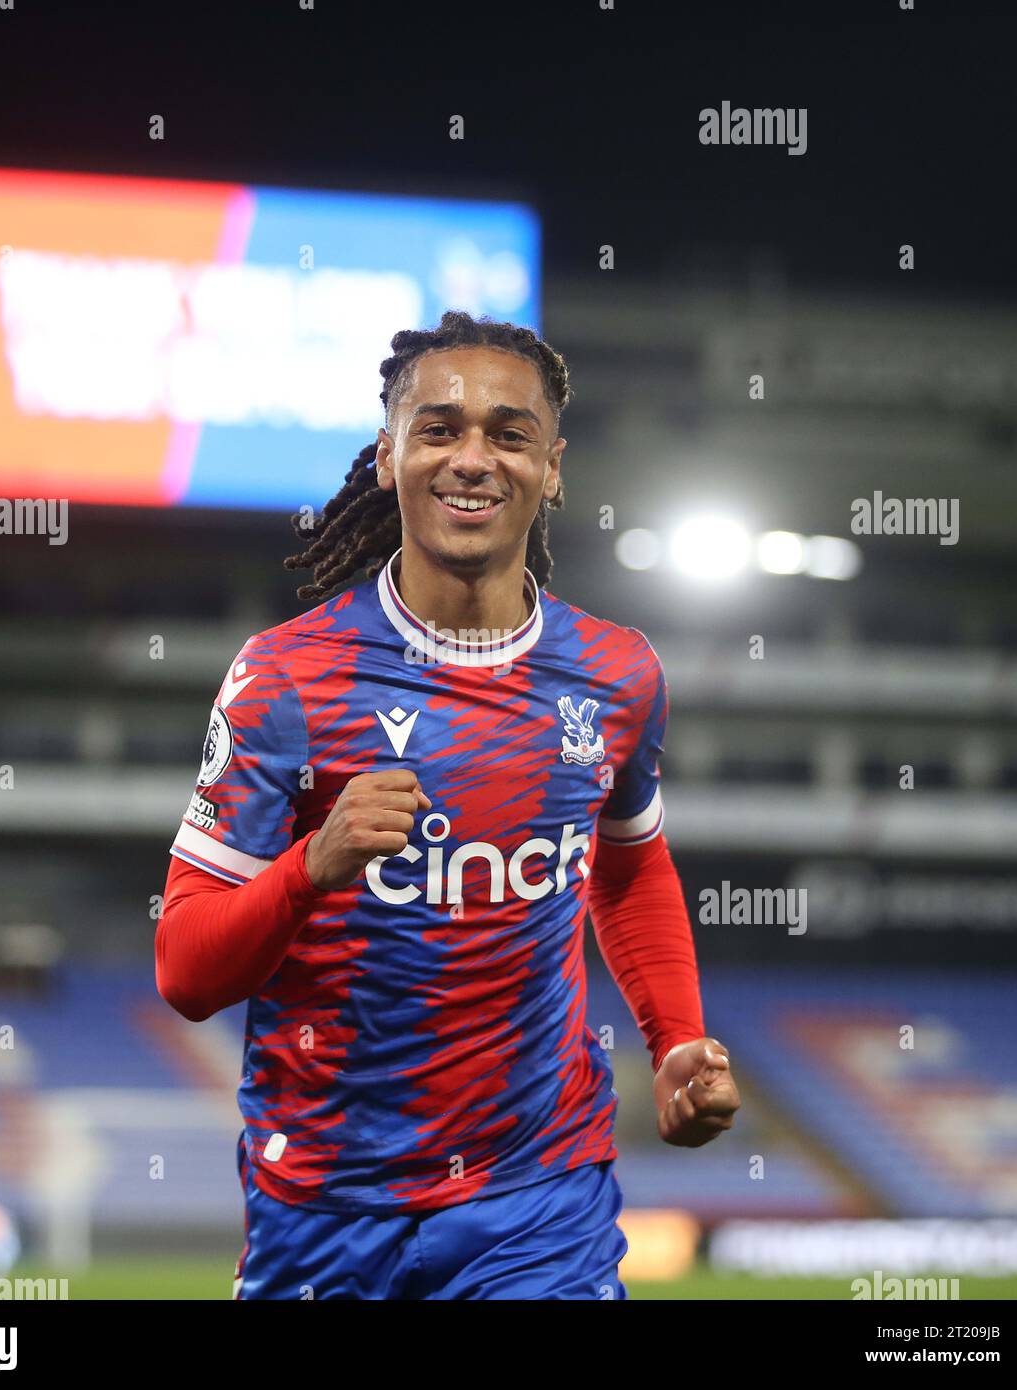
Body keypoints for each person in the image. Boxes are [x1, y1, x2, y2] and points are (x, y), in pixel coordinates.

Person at [155, 309, 740, 1300]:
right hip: (326, 1209)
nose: (472, 459)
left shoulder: (617, 674)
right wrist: (312, 867)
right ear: (386, 457)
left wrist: (676, 1034)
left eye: (507, 434)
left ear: (549, 468)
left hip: (539, 1199)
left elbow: (628, 864)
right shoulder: (284, 681)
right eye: (439, 430)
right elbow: (185, 970)